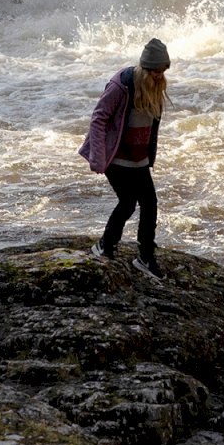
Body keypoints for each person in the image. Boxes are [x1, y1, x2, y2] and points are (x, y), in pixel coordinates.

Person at [78, 37, 171, 280]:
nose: (159, 76)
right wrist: (97, 157)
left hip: (137, 158)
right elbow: (98, 118)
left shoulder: (156, 86)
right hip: (115, 156)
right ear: (145, 68)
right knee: (129, 202)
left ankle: (145, 255)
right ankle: (105, 245)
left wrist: (149, 156)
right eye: (155, 72)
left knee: (150, 203)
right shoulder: (121, 85)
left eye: (162, 71)